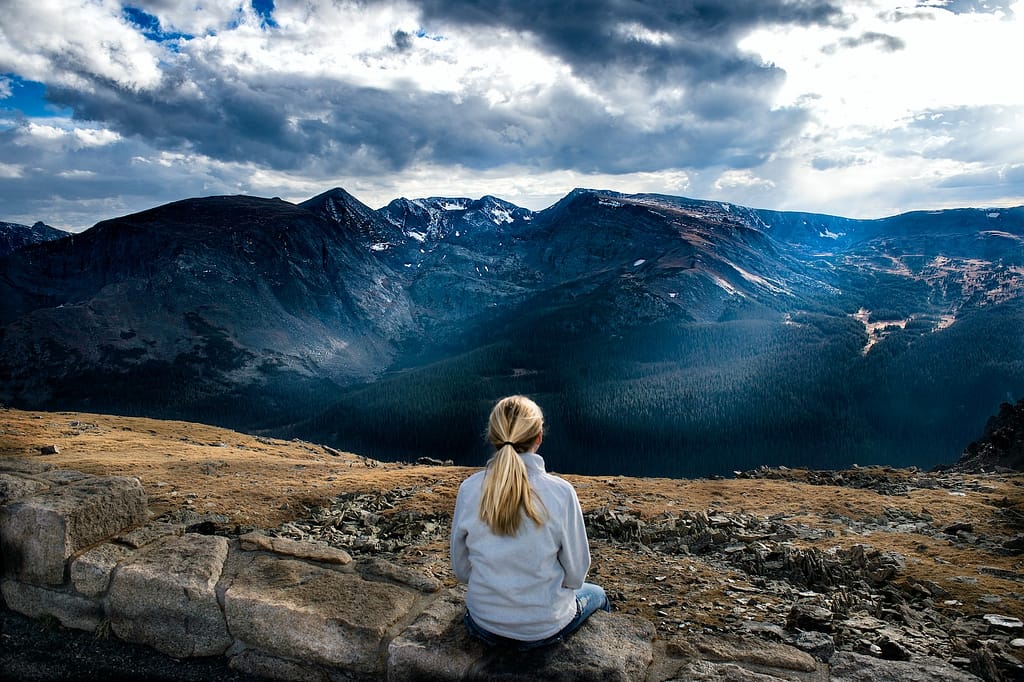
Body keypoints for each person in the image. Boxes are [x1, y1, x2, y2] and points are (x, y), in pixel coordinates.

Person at [450, 395, 610, 649]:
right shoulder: (560, 493)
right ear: (538, 438)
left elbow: (462, 570)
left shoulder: (469, 490)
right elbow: (576, 576)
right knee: (599, 594)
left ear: (493, 437)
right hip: (543, 627)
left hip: (483, 622)